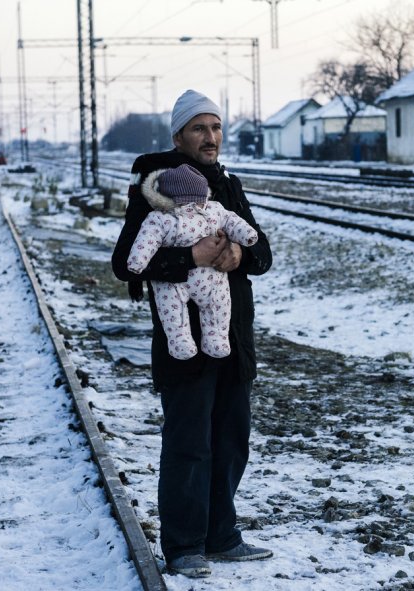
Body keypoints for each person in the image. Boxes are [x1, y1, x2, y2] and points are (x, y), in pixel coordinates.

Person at [112, 89, 273, 579]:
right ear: (178, 135)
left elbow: (262, 250)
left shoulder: (228, 183)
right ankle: (184, 546)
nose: (211, 137)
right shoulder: (155, 185)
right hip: (184, 340)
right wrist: (192, 258)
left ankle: (222, 537)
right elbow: (126, 263)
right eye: (200, 128)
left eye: (217, 127)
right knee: (189, 442)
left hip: (233, 332)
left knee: (232, 438)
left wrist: (239, 257)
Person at [126, 163, 259, 360]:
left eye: (216, 129)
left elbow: (232, 221)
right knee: (176, 308)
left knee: (216, 303)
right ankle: (181, 342)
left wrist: (245, 242)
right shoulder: (161, 217)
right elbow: (146, 240)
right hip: (175, 282)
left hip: (210, 279)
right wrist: (138, 261)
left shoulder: (215, 206)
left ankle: (216, 339)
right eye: (198, 129)